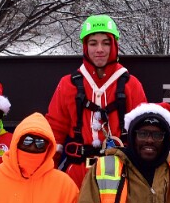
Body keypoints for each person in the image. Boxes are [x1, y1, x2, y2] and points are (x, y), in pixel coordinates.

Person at [46, 14, 148, 186]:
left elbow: (143, 131)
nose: (99, 49)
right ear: (85, 46)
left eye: (106, 43)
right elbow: (54, 130)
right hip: (77, 173)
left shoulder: (131, 84)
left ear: (114, 45)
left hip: (121, 172)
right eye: (93, 43)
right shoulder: (68, 84)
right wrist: (47, 171)